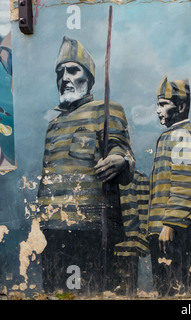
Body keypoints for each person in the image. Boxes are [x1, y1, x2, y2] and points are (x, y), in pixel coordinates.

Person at [37, 36, 135, 295]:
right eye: (60, 72)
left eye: (73, 70)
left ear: (89, 77)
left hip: (91, 228)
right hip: (52, 230)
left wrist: (119, 161)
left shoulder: (107, 110)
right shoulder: (53, 125)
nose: (65, 78)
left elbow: (121, 150)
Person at [147, 75, 191, 297]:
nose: (158, 110)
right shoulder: (170, 135)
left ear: (181, 106)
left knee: (176, 290)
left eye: (163, 104)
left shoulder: (187, 136)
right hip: (162, 230)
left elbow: (186, 184)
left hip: (175, 232)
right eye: (157, 104)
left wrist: (170, 224)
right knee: (164, 290)